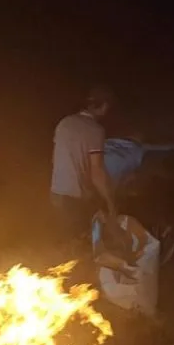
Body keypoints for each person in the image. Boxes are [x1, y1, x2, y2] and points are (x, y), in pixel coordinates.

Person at [50, 85, 121, 242]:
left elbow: (55, 159)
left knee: (62, 241)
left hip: (56, 192)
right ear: (104, 106)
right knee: (80, 242)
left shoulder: (64, 122)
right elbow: (97, 171)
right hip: (74, 197)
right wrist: (111, 202)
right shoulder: (95, 129)